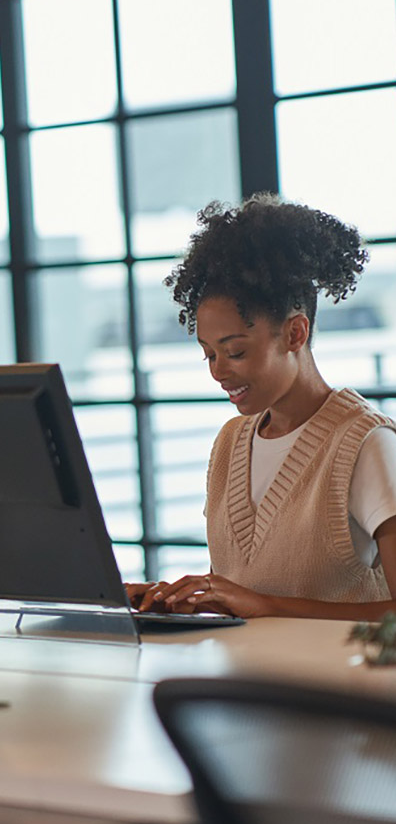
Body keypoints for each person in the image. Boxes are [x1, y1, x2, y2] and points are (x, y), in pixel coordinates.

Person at [128, 195, 396, 620]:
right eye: (208, 354)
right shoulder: (231, 443)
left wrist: (266, 607)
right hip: (242, 683)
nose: (218, 372)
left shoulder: (366, 444)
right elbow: (245, 591)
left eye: (234, 352)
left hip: (335, 685)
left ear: (294, 333)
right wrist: (192, 600)